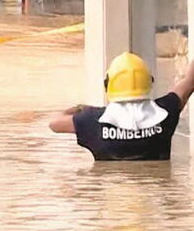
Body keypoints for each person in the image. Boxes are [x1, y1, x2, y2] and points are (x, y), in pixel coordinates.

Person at [49, 52, 194, 160]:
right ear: (149, 81)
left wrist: (80, 108)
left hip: (112, 197)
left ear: (108, 84)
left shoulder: (92, 121)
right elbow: (190, 81)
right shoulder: (166, 111)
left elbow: (54, 123)